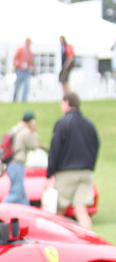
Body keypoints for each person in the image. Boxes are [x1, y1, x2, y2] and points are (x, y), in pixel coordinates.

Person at [47, 92, 99, 230]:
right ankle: (87, 240)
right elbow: (96, 145)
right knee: (81, 209)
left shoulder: (63, 123)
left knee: (59, 209)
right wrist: (90, 165)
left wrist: (50, 172)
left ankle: (59, 240)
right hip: (86, 171)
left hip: (67, 171)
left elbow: (55, 149)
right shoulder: (89, 125)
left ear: (67, 103)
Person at [3, 110, 39, 205]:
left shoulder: (15, 129)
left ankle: (27, 212)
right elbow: (34, 145)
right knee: (15, 193)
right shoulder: (26, 131)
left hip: (11, 164)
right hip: (17, 164)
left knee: (22, 197)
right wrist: (34, 131)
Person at [12, 38, 33, 103]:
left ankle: (24, 100)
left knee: (26, 86)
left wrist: (31, 66)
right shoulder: (20, 49)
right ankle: (14, 99)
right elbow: (15, 58)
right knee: (17, 86)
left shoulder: (30, 52)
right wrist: (15, 66)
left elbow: (31, 61)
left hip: (26, 71)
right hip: (19, 70)